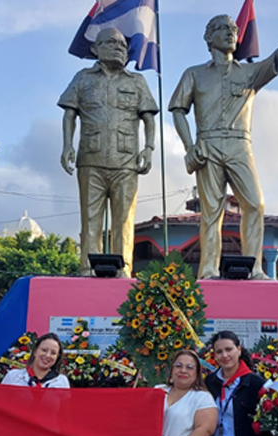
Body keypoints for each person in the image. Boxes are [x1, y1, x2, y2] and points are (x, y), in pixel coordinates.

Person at [169, 1, 278, 280]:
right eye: (222, 28)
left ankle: (254, 268)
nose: (230, 33)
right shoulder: (194, 73)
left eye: (233, 29)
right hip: (207, 146)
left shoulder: (249, 73)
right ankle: (208, 270)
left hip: (240, 145)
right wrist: (190, 146)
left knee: (255, 204)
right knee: (211, 211)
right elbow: (178, 110)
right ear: (208, 38)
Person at [58, 27, 158, 278]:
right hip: (90, 159)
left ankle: (123, 271)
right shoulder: (83, 78)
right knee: (90, 219)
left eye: (123, 45)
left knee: (124, 220)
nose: (119, 48)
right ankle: (87, 269)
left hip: (126, 162)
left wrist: (149, 147)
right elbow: (69, 113)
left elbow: (148, 118)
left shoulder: (137, 81)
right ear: (96, 48)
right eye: (111, 43)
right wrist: (67, 145)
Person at [205, 331, 272, 436]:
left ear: (239, 350)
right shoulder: (209, 383)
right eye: (219, 352)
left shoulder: (255, 384)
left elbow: (267, 429)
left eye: (229, 349)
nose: (225, 355)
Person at [0, 333, 70, 388]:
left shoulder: (61, 382)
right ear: (35, 351)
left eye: (53, 353)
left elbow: (64, 412)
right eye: (44, 350)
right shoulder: (13, 377)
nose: (47, 355)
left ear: (57, 357)